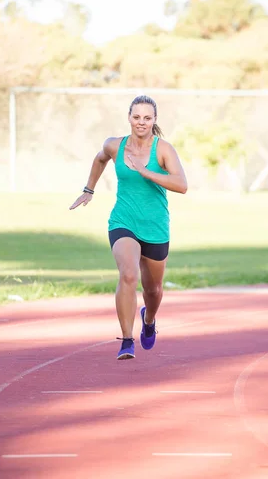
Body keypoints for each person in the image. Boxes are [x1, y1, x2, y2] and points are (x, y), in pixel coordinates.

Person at [69, 95, 187, 360]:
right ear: (129, 118)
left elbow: (182, 185)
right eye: (136, 117)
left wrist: (146, 172)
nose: (141, 122)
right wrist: (89, 189)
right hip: (123, 221)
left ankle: (149, 319)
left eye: (147, 118)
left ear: (154, 120)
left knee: (153, 290)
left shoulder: (163, 149)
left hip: (156, 227)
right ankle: (126, 340)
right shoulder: (115, 146)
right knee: (128, 275)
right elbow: (100, 159)